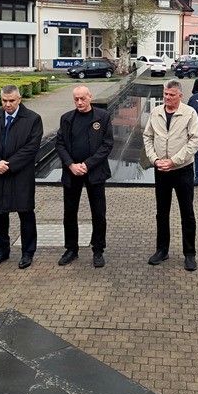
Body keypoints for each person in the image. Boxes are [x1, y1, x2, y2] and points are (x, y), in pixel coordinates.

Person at [0, 84, 42, 269]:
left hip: (20, 174)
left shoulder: (33, 119)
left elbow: (32, 147)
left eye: (11, 101)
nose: (7, 105)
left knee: (25, 212)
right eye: (4, 101)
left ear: (19, 99)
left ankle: (27, 252)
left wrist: (10, 164)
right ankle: (1, 250)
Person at [143, 80, 198, 271]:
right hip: (161, 170)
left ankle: (189, 253)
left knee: (187, 212)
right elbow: (148, 136)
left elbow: (194, 141)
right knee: (162, 212)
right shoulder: (156, 112)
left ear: (180, 96)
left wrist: (174, 161)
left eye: (171, 95)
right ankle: (162, 250)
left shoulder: (189, 113)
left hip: (182, 170)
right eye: (165, 94)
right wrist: (154, 159)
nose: (167, 98)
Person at [55, 86, 114, 268]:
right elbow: (60, 144)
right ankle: (71, 249)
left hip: (95, 172)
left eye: (83, 98)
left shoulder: (103, 117)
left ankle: (98, 249)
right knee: (70, 213)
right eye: (76, 99)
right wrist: (70, 164)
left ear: (90, 97)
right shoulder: (66, 118)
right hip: (72, 172)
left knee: (98, 213)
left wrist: (87, 164)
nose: (79, 102)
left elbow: (107, 144)